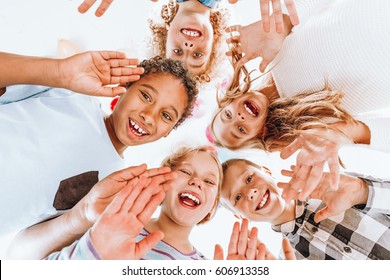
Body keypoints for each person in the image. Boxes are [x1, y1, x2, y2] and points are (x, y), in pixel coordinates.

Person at [0, 52, 198, 237]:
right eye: (145, 96)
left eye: (166, 115)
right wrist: (59, 71)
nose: (148, 116)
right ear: (125, 88)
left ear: (169, 132)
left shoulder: (113, 189)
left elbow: (33, 238)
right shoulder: (71, 91)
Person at [211, 0, 390, 201]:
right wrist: (349, 131)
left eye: (228, 114)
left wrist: (284, 21)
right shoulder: (317, 126)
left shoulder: (274, 52)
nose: (239, 117)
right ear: (262, 134)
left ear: (232, 98)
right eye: (241, 129)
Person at [40, 145, 223, 259]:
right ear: (162, 179)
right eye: (186, 172)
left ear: (212, 206)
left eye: (209, 182)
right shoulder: (111, 225)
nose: (197, 182)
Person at [221, 158, 390, 259]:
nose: (250, 193)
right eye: (237, 197)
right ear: (238, 215)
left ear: (267, 171)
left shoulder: (336, 187)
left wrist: (361, 192)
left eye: (249, 178)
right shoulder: (288, 265)